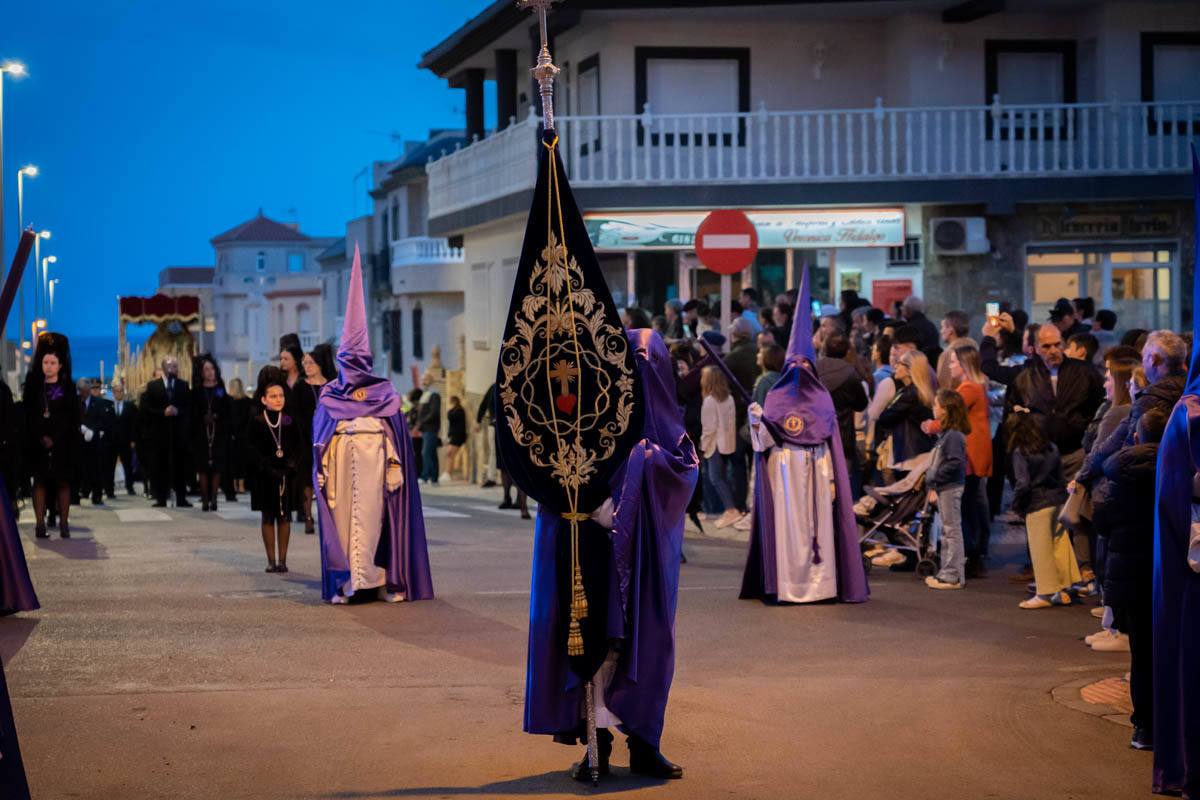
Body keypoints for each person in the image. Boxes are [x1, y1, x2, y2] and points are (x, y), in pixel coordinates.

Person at [741, 267, 870, 605]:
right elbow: (765, 443)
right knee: (789, 532)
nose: (799, 372)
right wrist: (758, 422)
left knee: (818, 530)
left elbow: (827, 436)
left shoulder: (821, 397)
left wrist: (830, 478)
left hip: (815, 468)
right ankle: (789, 586)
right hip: (783, 472)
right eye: (793, 365)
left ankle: (821, 586)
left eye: (804, 366)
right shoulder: (776, 397)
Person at [314, 246, 434, 606]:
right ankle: (348, 583)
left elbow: (393, 435)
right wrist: (322, 466)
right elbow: (321, 437)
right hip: (341, 478)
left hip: (376, 477)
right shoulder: (330, 395)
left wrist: (395, 464)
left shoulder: (385, 394)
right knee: (345, 528)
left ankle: (383, 580)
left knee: (378, 526)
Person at [1094, 407, 1165, 751]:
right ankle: (1171, 722)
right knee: (1169, 649)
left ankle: (1144, 728)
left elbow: (1101, 519)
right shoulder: (1174, 469)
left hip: (1130, 576)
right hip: (1166, 572)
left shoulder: (1119, 475)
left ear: (1136, 437)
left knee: (1140, 653)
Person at [1008, 409, 1078, 608]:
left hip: (1037, 504)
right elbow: (1061, 477)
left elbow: (1022, 484)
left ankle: (1045, 593)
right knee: (1060, 545)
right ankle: (1062, 589)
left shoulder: (1021, 452)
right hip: (1057, 501)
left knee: (1041, 550)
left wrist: (1016, 505)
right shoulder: (1052, 448)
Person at [25, 333, 82, 537]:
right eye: (45, 362)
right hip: (38, 442)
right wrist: (41, 436)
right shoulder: (33, 387)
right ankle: (40, 524)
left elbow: (72, 416)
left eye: (53, 362)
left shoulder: (68, 388)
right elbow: (28, 414)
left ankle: (64, 523)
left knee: (62, 482)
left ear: (60, 365)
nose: (48, 366)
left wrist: (55, 437)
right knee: (39, 481)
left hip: (62, 442)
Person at [246, 366, 300, 573]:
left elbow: (298, 445)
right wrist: (266, 467)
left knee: (284, 515)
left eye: (281, 395)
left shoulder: (289, 420)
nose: (278, 399)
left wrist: (291, 464)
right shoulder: (257, 421)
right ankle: (271, 560)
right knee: (268, 516)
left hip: (286, 473)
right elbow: (251, 449)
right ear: (263, 399)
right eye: (273, 396)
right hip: (265, 474)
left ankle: (283, 560)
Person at [924, 390, 970, 591]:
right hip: (946, 487)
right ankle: (947, 572)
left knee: (952, 531)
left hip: (950, 487)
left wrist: (935, 477)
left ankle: (952, 575)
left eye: (936, 404)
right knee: (948, 530)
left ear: (945, 410)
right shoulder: (949, 434)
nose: (933, 408)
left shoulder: (953, 436)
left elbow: (955, 463)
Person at [816, 333, 869, 494]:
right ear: (847, 352)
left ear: (824, 348)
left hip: (815, 433)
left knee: (818, 485)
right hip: (843, 434)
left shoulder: (812, 369)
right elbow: (861, 405)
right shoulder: (850, 373)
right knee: (841, 486)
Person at [140, 356, 192, 508]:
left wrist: (178, 410)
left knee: (180, 466)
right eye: (170, 366)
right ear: (163, 368)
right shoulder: (153, 386)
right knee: (160, 467)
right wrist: (163, 412)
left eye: (175, 366)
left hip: (178, 434)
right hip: (159, 434)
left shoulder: (183, 385)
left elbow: (189, 407)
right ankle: (161, 498)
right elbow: (146, 409)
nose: (173, 369)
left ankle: (181, 498)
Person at [292, 344, 334, 533]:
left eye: (310, 363)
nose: (307, 366)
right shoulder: (301, 386)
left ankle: (329, 518)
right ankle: (308, 516)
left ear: (319, 365)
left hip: (328, 437)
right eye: (304, 363)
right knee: (307, 480)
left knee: (329, 480)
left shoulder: (331, 385)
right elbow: (294, 412)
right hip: (305, 438)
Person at [189, 355, 231, 512]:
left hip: (218, 432)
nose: (210, 372)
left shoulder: (220, 388)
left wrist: (216, 416)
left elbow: (227, 410)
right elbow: (192, 410)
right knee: (203, 467)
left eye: (212, 368)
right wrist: (202, 417)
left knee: (217, 467)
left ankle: (214, 499)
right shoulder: (197, 390)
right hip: (201, 433)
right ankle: (205, 499)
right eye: (206, 369)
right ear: (201, 372)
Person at [700, 365, 740, 528]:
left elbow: (709, 428)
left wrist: (702, 447)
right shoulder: (728, 398)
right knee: (721, 477)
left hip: (714, 444)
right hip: (726, 443)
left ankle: (731, 510)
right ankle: (725, 510)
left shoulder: (710, 400)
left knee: (715, 478)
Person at [78, 376, 111, 505]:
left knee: (96, 468)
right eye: (82, 390)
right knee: (81, 468)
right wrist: (80, 427)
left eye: (87, 390)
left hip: (95, 442)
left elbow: (103, 420)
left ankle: (97, 495)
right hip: (80, 441)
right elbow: (72, 417)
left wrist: (93, 430)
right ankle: (80, 492)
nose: (85, 393)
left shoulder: (98, 403)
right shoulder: (76, 403)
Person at [109, 382, 138, 496]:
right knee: (110, 466)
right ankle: (110, 489)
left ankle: (130, 486)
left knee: (128, 465)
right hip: (112, 442)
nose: (118, 394)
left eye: (120, 391)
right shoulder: (109, 406)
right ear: (113, 393)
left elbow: (134, 424)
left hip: (126, 441)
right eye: (116, 391)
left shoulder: (130, 406)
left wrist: (133, 440)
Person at [225, 377, 252, 501]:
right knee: (242, 461)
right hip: (244, 436)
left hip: (232, 436)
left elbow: (228, 419)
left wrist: (231, 432)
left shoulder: (229, 401)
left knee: (232, 462)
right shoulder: (248, 401)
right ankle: (241, 486)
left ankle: (234, 485)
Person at [935, 310, 976, 390]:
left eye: (943, 327)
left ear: (950, 330)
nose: (941, 331)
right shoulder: (975, 350)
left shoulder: (949, 354)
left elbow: (945, 385)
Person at [416, 372, 441, 485]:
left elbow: (434, 412)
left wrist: (422, 422)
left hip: (430, 428)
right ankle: (434, 479)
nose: (423, 382)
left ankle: (425, 477)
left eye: (425, 379)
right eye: (422, 379)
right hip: (426, 429)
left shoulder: (433, 394)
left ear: (431, 381)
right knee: (432, 453)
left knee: (425, 453)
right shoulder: (425, 394)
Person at [723, 317, 758, 393]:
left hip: (740, 398)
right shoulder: (758, 350)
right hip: (757, 397)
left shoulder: (732, 356)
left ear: (733, 333)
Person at [900, 295, 940, 361]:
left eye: (902, 307)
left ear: (907, 309)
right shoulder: (930, 325)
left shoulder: (909, 328)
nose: (901, 309)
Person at [443, 396, 467, 482]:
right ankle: (447, 473)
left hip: (457, 436)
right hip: (454, 435)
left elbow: (455, 423)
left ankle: (448, 473)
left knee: (451, 455)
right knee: (450, 454)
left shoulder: (459, 411)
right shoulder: (455, 411)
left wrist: (450, 436)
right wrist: (449, 437)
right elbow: (451, 426)